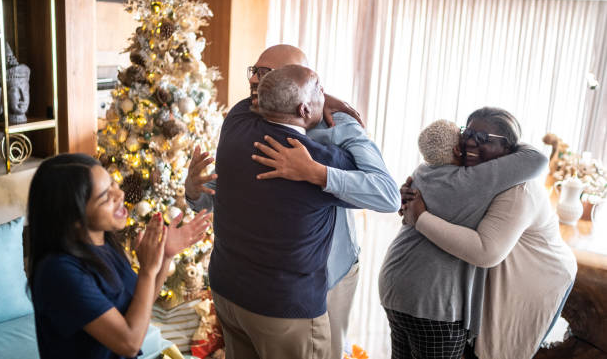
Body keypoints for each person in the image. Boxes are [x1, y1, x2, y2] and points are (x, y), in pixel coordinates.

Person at [185, 44, 399, 359]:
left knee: (331, 349)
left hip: (330, 272)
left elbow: (386, 195)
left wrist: (316, 173)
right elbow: (236, 191)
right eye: (255, 71)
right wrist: (194, 192)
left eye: (267, 74)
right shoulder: (245, 115)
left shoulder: (337, 125)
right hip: (276, 291)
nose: (256, 81)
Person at [400, 107, 577, 359]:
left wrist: (420, 218)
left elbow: (485, 252)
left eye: (483, 139)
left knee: (497, 348)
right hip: (500, 264)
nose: (470, 142)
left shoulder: (519, 190)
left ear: (508, 150)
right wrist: (415, 194)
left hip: (538, 275)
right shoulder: (471, 173)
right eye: (467, 132)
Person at [27, 153, 211, 359]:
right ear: (74, 217)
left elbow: (141, 305)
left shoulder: (105, 243)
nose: (120, 194)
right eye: (105, 196)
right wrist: (148, 272)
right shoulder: (58, 272)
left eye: (114, 184)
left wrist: (166, 256)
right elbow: (129, 343)